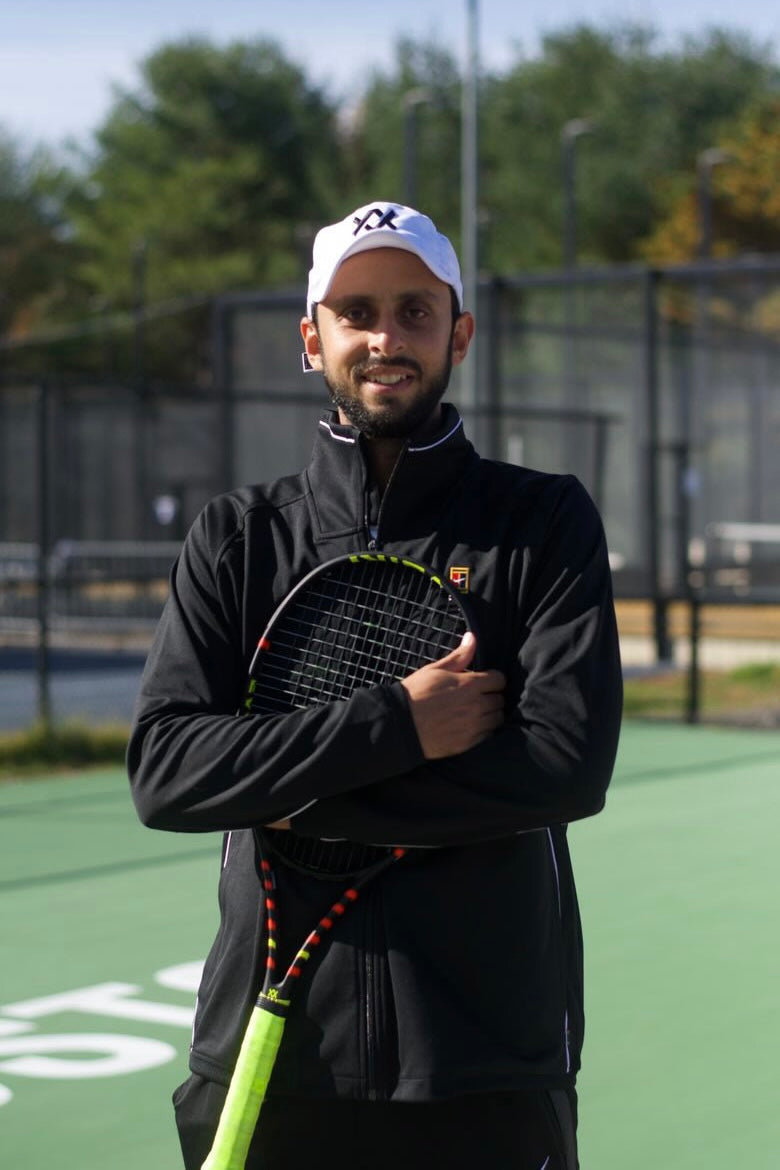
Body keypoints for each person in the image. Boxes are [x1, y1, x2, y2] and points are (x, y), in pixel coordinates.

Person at [127, 200, 623, 1170]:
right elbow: (168, 771)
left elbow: (563, 768)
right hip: (270, 1061)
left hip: (484, 1069)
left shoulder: (544, 522)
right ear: (313, 339)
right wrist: (399, 723)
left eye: (414, 310)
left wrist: (285, 790)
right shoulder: (237, 538)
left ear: (459, 334)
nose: (384, 338)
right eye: (356, 312)